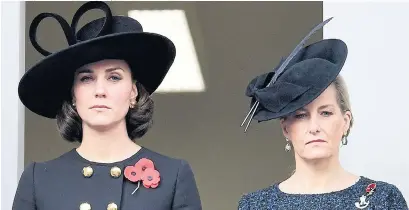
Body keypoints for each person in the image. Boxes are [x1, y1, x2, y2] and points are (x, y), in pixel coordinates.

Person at [13, 1, 202, 210]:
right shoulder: (38, 180)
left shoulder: (173, 176)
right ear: (73, 95)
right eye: (86, 78)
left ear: (133, 92)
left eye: (114, 77)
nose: (100, 90)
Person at [238, 18, 408, 209]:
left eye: (326, 113)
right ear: (285, 128)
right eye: (301, 115)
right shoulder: (255, 205)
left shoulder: (383, 199)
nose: (314, 127)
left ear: (345, 121)